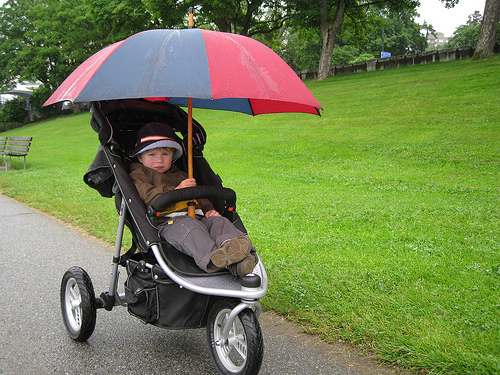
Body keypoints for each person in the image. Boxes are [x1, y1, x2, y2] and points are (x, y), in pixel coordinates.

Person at [129, 122, 256, 276]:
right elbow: (147, 196)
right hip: (168, 222)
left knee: (220, 222)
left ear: (173, 156)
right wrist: (176, 191)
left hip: (198, 217)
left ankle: (235, 253)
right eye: (152, 154)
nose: (159, 160)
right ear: (140, 157)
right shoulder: (139, 174)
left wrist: (209, 210)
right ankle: (213, 258)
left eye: (165, 154)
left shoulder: (181, 174)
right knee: (189, 228)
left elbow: (198, 196)